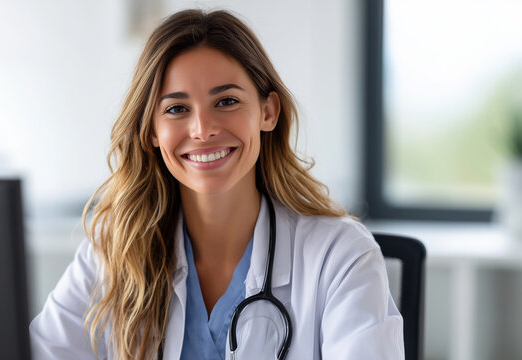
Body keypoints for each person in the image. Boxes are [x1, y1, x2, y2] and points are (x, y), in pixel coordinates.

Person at [29, 9, 404, 360]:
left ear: (268, 112)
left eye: (226, 101)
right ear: (152, 132)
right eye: (177, 108)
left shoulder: (339, 258)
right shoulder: (115, 248)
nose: (203, 129)